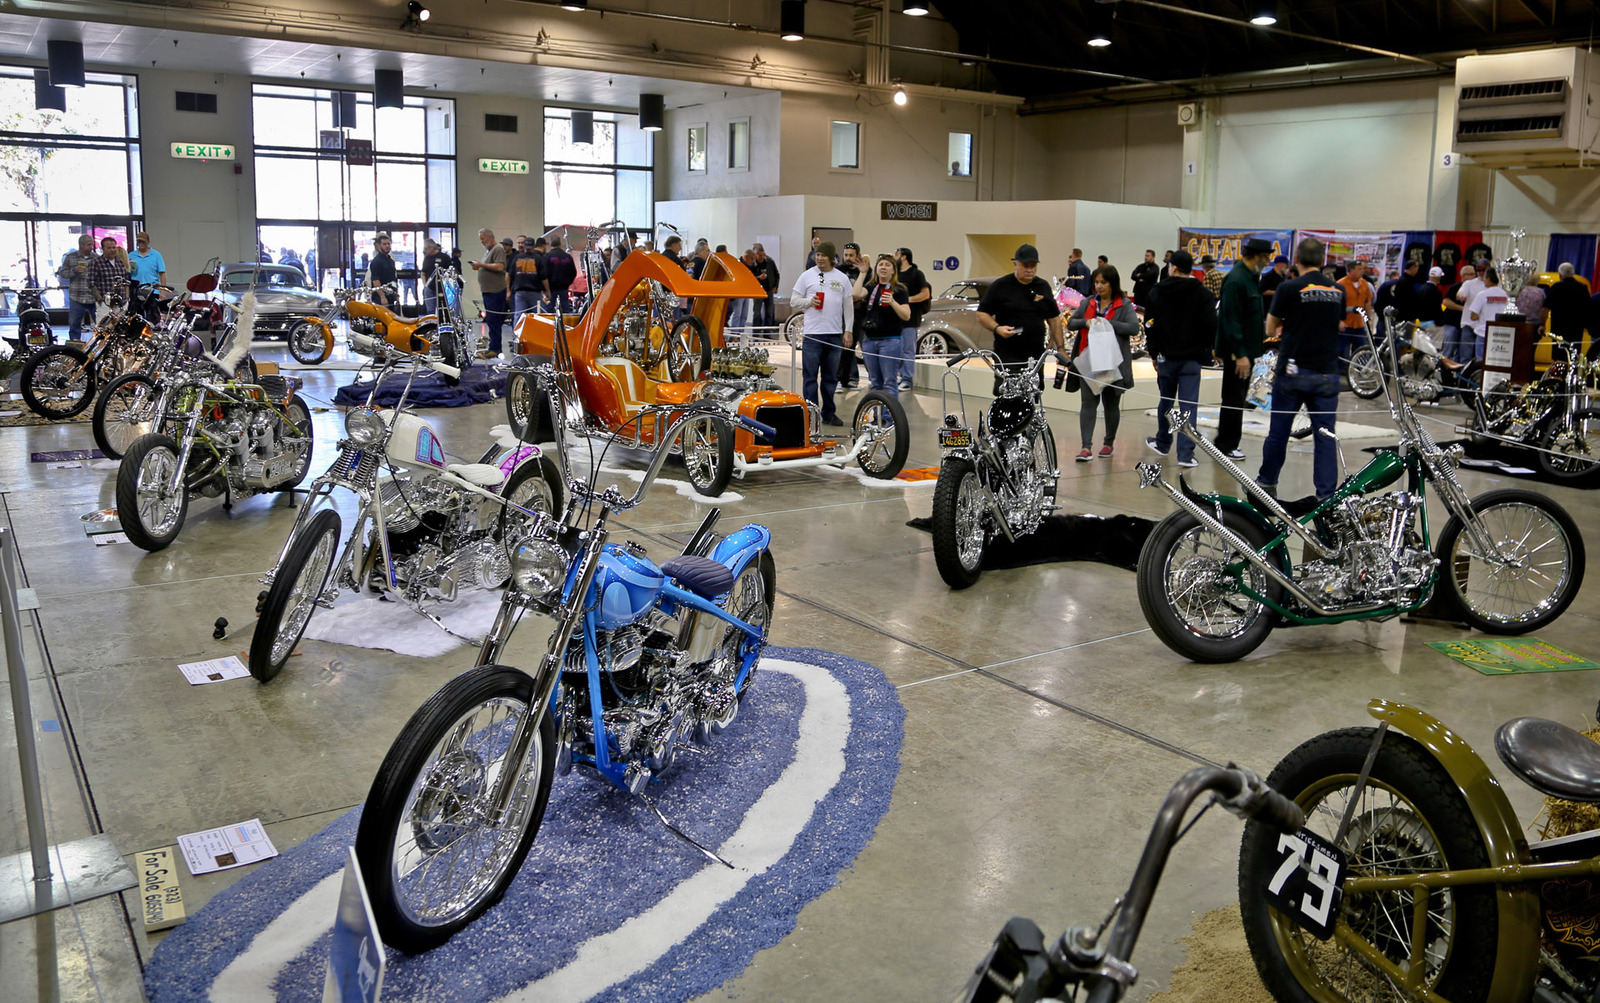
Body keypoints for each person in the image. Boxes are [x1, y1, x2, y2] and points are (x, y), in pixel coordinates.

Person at [1257, 237, 1345, 502]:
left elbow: (1270, 329)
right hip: (1327, 372)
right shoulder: (1338, 290)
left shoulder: (1288, 288)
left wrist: (1288, 326)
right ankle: (1326, 494)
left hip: (1293, 372)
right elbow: (1337, 326)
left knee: (1279, 432)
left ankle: (1267, 483)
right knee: (1325, 436)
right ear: (1322, 260)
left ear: (1296, 260)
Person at [1144, 249, 1217, 468]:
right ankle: (1185, 454)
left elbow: (1149, 325)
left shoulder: (1157, 292)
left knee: (1165, 401)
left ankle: (1163, 442)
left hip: (1166, 357)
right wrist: (1204, 351)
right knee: (1188, 406)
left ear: (1174, 267)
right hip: (1191, 360)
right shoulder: (1203, 293)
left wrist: (1155, 352)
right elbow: (1211, 325)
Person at [1065, 265, 1138, 461]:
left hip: (1113, 364)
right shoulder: (1087, 302)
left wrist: (1108, 324)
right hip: (1088, 362)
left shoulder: (1124, 305)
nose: (1099, 286)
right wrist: (1086, 322)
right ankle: (1086, 447)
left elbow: (1134, 328)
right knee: (1088, 404)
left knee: (1111, 405)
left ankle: (1108, 444)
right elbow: (1071, 323)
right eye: (1096, 282)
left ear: (1112, 284)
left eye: (1103, 282)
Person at [977, 243, 1065, 391]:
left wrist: (1060, 348)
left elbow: (1054, 318)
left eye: (1033, 266)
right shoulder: (1000, 286)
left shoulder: (1042, 286)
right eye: (1025, 265)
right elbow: (981, 314)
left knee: (1033, 393)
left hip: (1035, 354)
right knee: (1006, 393)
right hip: (1007, 353)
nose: (1029, 270)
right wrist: (998, 328)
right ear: (1015, 264)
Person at [1214, 238, 1272, 461]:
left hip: (1246, 351)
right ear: (1256, 256)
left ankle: (1226, 443)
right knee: (1233, 397)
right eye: (1266, 257)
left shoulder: (1250, 278)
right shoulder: (1236, 280)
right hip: (1237, 353)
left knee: (1236, 397)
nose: (1267, 261)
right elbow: (1230, 320)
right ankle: (1226, 445)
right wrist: (1239, 354)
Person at [788, 241, 855, 426]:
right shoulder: (806, 276)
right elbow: (794, 300)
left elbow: (848, 307)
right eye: (817, 255)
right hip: (812, 335)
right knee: (810, 377)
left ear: (831, 258)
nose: (819, 258)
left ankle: (829, 413)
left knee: (830, 378)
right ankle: (811, 414)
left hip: (833, 334)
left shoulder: (841, 278)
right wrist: (809, 301)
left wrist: (848, 330)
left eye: (823, 255)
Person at [851, 253, 911, 397]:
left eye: (887, 265)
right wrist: (863, 273)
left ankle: (888, 418)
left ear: (893, 271)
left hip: (890, 341)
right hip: (870, 341)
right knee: (875, 382)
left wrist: (892, 302)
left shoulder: (900, 290)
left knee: (889, 382)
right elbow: (855, 294)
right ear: (876, 268)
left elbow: (906, 315)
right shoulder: (871, 287)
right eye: (881, 265)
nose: (883, 267)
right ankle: (877, 417)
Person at [469, 227, 509, 357]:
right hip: (489, 291)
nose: (481, 241)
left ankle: (496, 349)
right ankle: (493, 346)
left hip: (496, 291)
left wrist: (481, 265)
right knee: (491, 320)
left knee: (494, 320)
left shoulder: (497, 249)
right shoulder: (488, 250)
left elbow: (500, 266)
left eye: (483, 238)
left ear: (490, 237)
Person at [894, 247, 930, 391]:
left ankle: (907, 379)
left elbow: (925, 294)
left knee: (908, 350)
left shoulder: (917, 274)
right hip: (896, 320)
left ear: (903, 257)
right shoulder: (895, 274)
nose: (894, 257)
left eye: (896, 254)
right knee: (897, 350)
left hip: (910, 319)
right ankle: (899, 376)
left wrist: (907, 300)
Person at [1464, 266, 1509, 360]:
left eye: (1484, 278)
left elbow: (1473, 316)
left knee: (1481, 362)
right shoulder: (1506, 294)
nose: (1484, 280)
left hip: (1483, 333)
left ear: (1488, 279)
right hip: (1501, 335)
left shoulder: (1482, 295)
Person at [57, 234, 98, 338]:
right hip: (76, 296)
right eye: (89, 245)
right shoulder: (70, 257)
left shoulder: (96, 258)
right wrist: (74, 271)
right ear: (81, 245)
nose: (91, 247)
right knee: (74, 323)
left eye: (92, 245)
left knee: (99, 323)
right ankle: (75, 346)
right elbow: (63, 274)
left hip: (93, 296)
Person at [836, 242, 864, 388]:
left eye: (851, 255)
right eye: (846, 255)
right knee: (841, 346)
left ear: (857, 256)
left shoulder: (864, 271)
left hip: (859, 314)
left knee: (851, 347)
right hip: (841, 314)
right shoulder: (838, 271)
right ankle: (838, 378)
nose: (848, 258)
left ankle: (848, 379)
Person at [1335, 258, 1374, 365]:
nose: (1362, 271)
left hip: (1359, 324)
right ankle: (1340, 372)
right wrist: (1339, 321)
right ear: (1351, 270)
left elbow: (1367, 302)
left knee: (1361, 349)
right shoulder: (1340, 284)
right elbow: (1336, 305)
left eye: (1362, 269)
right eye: (1358, 269)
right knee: (1341, 350)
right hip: (1346, 324)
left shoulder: (1365, 284)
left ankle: (1359, 370)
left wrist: (1368, 319)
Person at [1546, 262, 1590, 355]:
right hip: (1576, 330)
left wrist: (1542, 324)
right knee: (1574, 356)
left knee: (1559, 357)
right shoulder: (1582, 288)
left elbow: (1545, 307)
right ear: (1572, 273)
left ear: (1560, 275)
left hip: (1558, 329)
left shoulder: (1556, 287)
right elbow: (1588, 309)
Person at [88, 235, 129, 319]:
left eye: (114, 247)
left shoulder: (120, 262)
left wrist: (127, 298)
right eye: (109, 248)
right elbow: (91, 283)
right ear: (103, 249)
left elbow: (125, 281)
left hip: (121, 302)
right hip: (105, 303)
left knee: (120, 328)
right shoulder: (96, 262)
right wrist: (99, 299)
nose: (112, 250)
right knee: (104, 328)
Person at [508, 236, 544, 326]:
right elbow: (544, 277)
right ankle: (536, 336)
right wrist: (546, 290)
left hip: (520, 291)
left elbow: (508, 274)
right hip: (534, 292)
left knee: (519, 315)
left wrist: (508, 290)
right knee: (537, 315)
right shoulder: (538, 258)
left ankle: (516, 337)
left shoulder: (517, 258)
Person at [128, 231, 167, 315]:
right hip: (136, 291)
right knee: (136, 315)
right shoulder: (131, 255)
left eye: (143, 241)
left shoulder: (156, 255)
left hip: (152, 291)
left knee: (152, 316)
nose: (141, 243)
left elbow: (162, 274)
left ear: (148, 242)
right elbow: (127, 274)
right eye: (139, 241)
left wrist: (163, 292)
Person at [728, 248, 758, 334]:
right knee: (737, 314)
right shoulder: (737, 265)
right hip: (738, 292)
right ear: (745, 257)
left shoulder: (751, 266)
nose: (753, 261)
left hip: (746, 292)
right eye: (751, 258)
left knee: (744, 314)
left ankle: (741, 333)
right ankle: (734, 334)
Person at [544, 237, 577, 313]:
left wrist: (545, 287)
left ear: (550, 244)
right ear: (560, 244)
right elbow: (573, 272)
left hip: (550, 288)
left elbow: (544, 273)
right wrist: (567, 283)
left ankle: (549, 324)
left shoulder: (547, 257)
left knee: (548, 311)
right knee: (565, 310)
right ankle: (565, 324)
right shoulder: (567, 257)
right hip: (563, 288)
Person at [420, 238, 450, 316]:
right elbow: (423, 272)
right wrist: (425, 285)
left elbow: (449, 272)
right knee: (430, 310)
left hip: (442, 287)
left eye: (426, 248)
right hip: (430, 287)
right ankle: (431, 325)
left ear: (432, 247)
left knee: (443, 308)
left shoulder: (444, 257)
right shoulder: (427, 258)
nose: (425, 250)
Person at [752, 243, 779, 327]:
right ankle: (756, 332)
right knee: (757, 313)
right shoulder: (752, 263)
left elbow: (776, 274)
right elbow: (750, 277)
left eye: (763, 255)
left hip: (769, 290)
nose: (761, 257)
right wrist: (759, 278)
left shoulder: (769, 261)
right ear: (756, 255)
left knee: (769, 312)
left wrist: (775, 286)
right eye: (759, 255)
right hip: (757, 291)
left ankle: (767, 333)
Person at [368, 233, 397, 306]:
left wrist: (396, 294)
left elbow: (393, 279)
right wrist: (382, 297)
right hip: (380, 298)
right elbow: (376, 281)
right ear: (378, 245)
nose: (387, 246)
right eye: (384, 244)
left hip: (391, 295)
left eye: (388, 244)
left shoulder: (390, 260)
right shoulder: (376, 261)